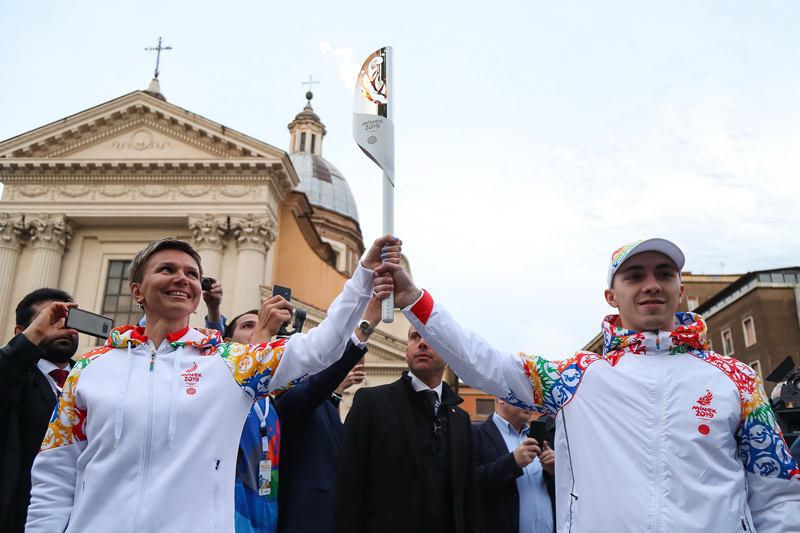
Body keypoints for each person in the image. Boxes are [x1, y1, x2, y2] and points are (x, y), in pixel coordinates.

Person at [378, 238, 800, 533]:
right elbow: (485, 361)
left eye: (664, 274)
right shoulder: (574, 378)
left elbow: (777, 493)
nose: (652, 284)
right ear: (611, 295)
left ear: (680, 290)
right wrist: (414, 300)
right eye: (635, 276)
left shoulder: (736, 379)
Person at [25, 234, 401, 533]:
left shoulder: (231, 363)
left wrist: (364, 273)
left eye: (191, 273)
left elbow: (322, 346)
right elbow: (55, 473)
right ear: (137, 291)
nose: (181, 279)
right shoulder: (90, 367)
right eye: (166, 269)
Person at [334, 325, 483, 533]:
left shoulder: (461, 419)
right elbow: (347, 484)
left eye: (431, 337)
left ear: (449, 355)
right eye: (414, 337)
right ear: (406, 353)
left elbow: (469, 499)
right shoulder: (371, 403)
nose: (421, 342)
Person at [274, 297, 378, 533]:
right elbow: (317, 387)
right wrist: (366, 325)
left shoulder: (325, 405)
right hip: (305, 519)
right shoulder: (286, 396)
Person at [0, 289, 78, 532]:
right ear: (21, 331)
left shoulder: (94, 377)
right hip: (18, 516)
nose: (63, 327)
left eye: (70, 320)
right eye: (52, 319)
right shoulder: (14, 378)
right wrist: (30, 338)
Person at [472, 399, 555, 533]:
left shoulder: (542, 439)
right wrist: (512, 462)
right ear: (500, 398)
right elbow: (469, 485)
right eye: (520, 394)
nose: (529, 402)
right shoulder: (475, 433)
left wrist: (553, 473)